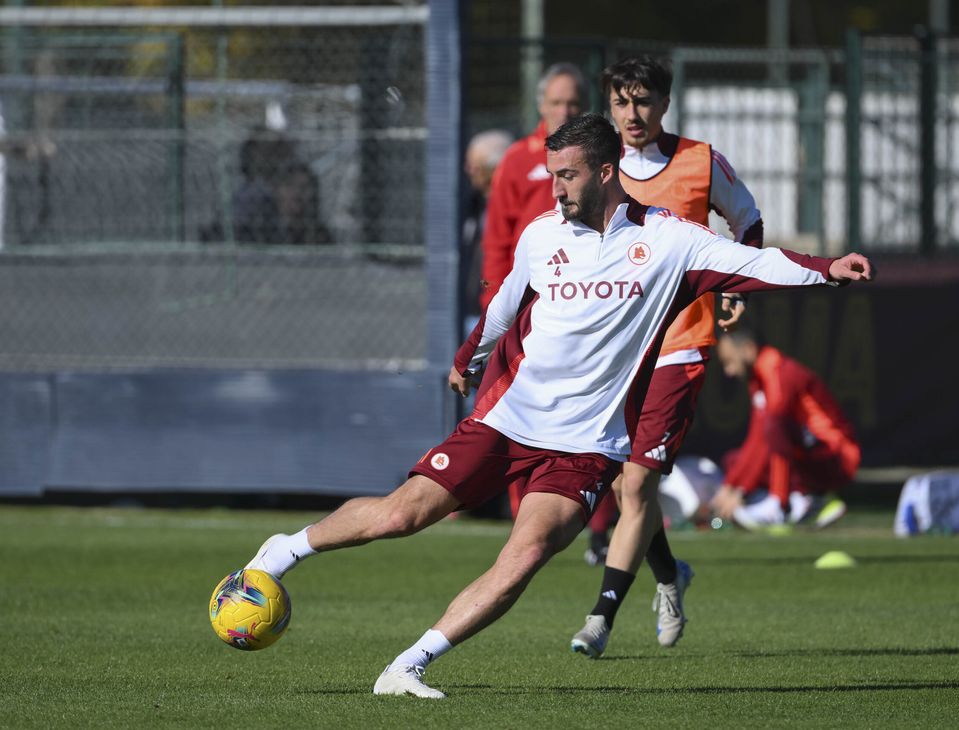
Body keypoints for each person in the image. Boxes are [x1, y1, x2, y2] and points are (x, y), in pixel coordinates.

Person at [242, 113, 874, 699]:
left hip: (587, 445)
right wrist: (469, 354)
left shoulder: (672, 242)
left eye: (567, 175)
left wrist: (827, 268)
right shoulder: (543, 235)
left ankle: (406, 666)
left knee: (523, 556)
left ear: (604, 172)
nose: (555, 189)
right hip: (507, 419)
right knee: (400, 516)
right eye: (552, 175)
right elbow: (505, 305)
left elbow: (757, 261)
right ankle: (282, 551)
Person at [570, 55, 763, 659]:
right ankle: (669, 576)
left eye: (644, 101)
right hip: (616, 350)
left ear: (665, 104)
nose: (632, 113)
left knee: (638, 482)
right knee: (630, 486)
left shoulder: (699, 162)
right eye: (622, 102)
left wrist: (731, 283)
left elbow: (748, 221)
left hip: (681, 343)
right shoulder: (597, 169)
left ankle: (599, 620)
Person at [479, 61, 585, 518]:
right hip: (525, 314)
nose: (563, 110)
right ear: (541, 104)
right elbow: (497, 241)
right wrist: (494, 310)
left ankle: (590, 523)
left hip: (583, 309)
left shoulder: (599, 160)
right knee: (514, 415)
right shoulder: (519, 159)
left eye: (573, 102)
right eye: (556, 102)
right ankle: (521, 512)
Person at [709, 329, 860, 529]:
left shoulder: (779, 372)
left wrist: (740, 491)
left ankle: (780, 505)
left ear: (747, 349)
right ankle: (804, 502)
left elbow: (771, 433)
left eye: (729, 361)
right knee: (733, 459)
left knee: (774, 426)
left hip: (835, 457)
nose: (729, 371)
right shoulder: (758, 379)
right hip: (808, 454)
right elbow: (756, 439)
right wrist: (729, 486)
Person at [462, 130, 514, 325]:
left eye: (477, 166)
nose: (469, 170)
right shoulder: (471, 204)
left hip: (495, 307)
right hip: (469, 305)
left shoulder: (507, 208)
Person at [276, 161, 333, 245]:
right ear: (278, 190)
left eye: (303, 187)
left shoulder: (319, 234)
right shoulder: (266, 228)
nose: (297, 193)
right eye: (290, 186)